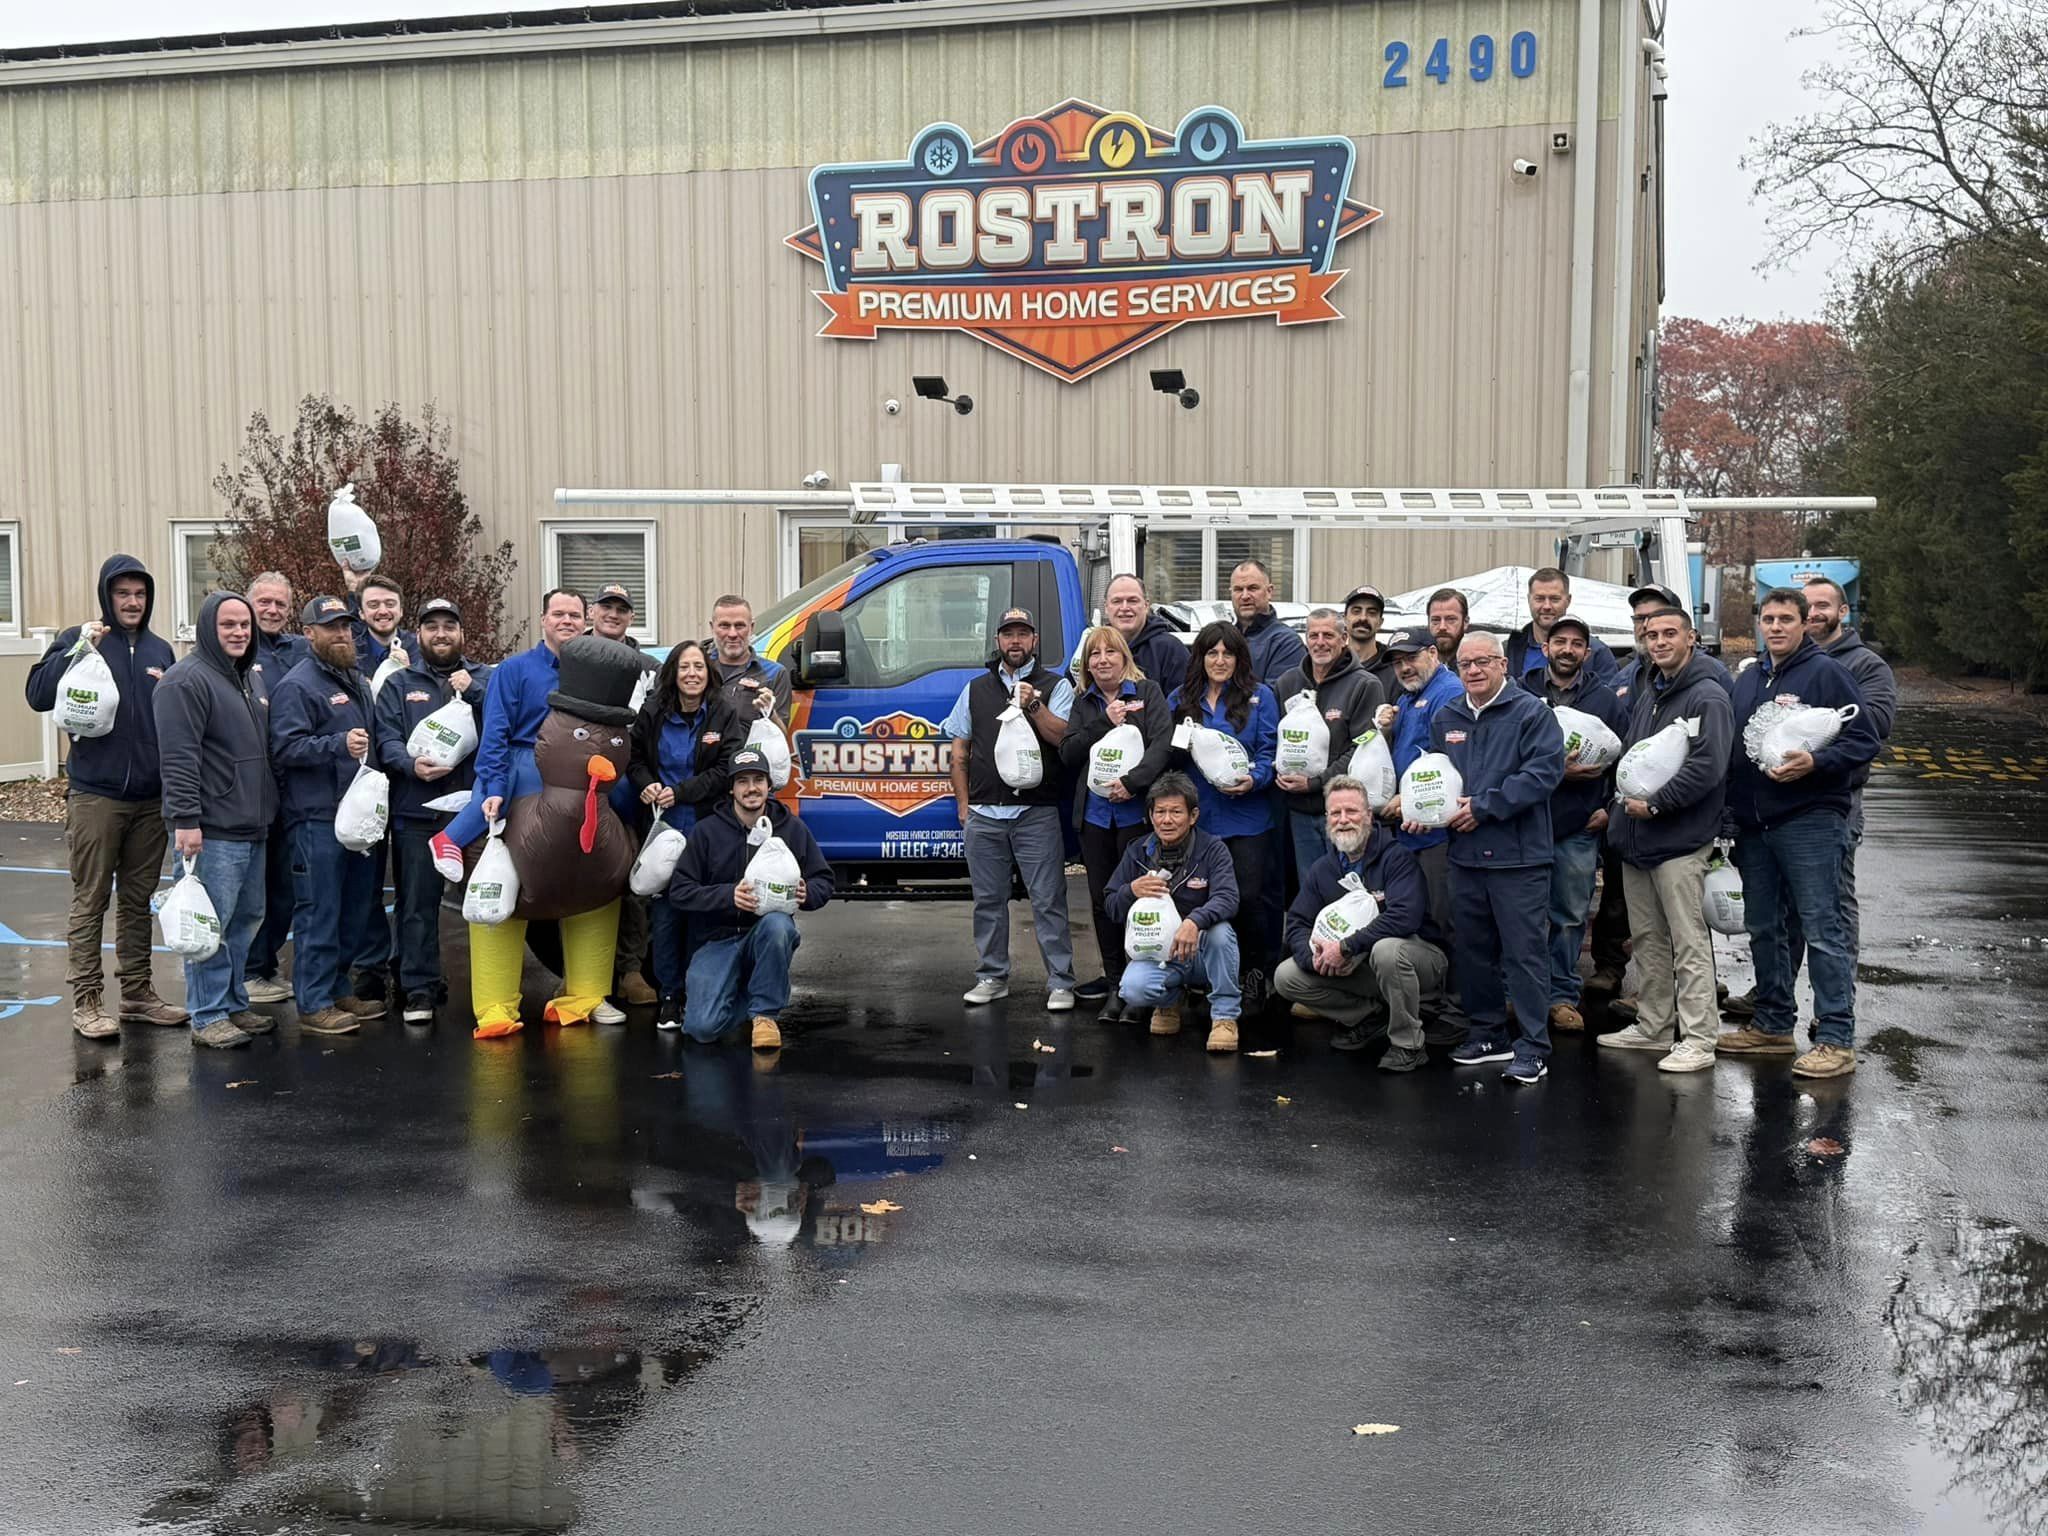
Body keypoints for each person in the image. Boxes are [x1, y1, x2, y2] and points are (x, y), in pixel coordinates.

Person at [24, 554, 187, 1038]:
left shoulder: (161, 651)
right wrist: (75, 649)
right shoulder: (83, 638)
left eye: (139, 594)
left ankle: (137, 994)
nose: (132, 602)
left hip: (149, 800)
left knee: (138, 901)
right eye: (123, 594)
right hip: (96, 795)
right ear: (107, 596)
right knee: (91, 898)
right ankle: (87, 1001)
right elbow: (37, 694)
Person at [1724, 587, 1881, 1078]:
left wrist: (1818, 761)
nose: (1775, 627)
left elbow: (1864, 739)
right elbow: (1732, 752)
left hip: (1810, 819)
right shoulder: (1748, 679)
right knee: (1765, 928)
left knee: (1821, 928)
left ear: (1805, 623)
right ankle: (1772, 1024)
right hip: (1755, 827)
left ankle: (1836, 1037)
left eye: (1786, 619)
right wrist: (1729, 817)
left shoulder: (1827, 674)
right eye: (1768, 618)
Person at [1413, 632, 1564, 1084]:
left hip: (1519, 860)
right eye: (1465, 664)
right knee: (1473, 952)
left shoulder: (1532, 714)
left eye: (1483, 662)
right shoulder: (1447, 716)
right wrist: (1425, 810)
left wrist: (1483, 805)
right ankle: (1487, 1035)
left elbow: (1542, 775)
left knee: (1525, 955)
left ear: (1503, 665)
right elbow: (1436, 777)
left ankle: (1534, 1045)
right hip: (1465, 857)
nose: (1474, 671)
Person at [1598, 605, 1735, 1071]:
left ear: (1691, 638)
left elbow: (1709, 766)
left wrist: (1658, 804)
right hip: (1636, 841)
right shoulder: (1650, 693)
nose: (1658, 641)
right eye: (1651, 634)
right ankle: (1655, 1026)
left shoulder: (1707, 696)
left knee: (1687, 941)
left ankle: (1698, 1037)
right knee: (1649, 939)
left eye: (1669, 633)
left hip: (1678, 839)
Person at [152, 591, 278, 1049]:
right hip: (211, 830)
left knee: (245, 921)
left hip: (252, 824)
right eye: (228, 625)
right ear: (208, 628)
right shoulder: (185, 682)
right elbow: (179, 759)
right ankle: (207, 1015)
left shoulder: (248, 680)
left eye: (244, 625)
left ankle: (232, 1002)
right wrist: (186, 820)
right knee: (210, 926)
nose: (239, 632)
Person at [947, 607, 1079, 1011]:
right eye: (1008, 634)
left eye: (1023, 634)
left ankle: (1060, 983)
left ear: (1034, 641)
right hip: (985, 815)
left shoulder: (1055, 686)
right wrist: (964, 805)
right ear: (998, 641)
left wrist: (1035, 706)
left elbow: (1064, 740)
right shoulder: (976, 689)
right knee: (988, 901)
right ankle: (991, 976)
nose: (1015, 641)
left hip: (1035, 813)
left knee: (1048, 900)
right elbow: (959, 750)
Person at [268, 595, 386, 1035]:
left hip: (355, 817)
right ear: (309, 633)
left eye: (345, 626)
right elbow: (284, 748)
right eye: (331, 627)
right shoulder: (298, 686)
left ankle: (338, 988)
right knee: (319, 909)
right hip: (316, 817)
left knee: (353, 908)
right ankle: (314, 1001)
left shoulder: (354, 679)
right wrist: (335, 745)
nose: (341, 634)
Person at [1275, 777, 1446, 1071]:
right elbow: (1299, 922)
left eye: (1352, 812)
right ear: (1326, 819)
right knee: (1286, 975)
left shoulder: (1396, 858)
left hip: (1421, 964)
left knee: (1387, 951)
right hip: (1362, 967)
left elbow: (1406, 917)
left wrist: (1345, 947)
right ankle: (1370, 1017)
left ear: (1368, 815)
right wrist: (1316, 957)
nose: (1343, 820)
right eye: (1335, 813)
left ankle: (1409, 1044)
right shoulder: (1323, 869)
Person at [667, 748, 833, 1048]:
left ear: (770, 786)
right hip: (716, 940)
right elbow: (679, 891)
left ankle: (764, 1015)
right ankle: (746, 991)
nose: (751, 788)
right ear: (731, 788)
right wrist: (726, 895)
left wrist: (809, 893)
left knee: (779, 925)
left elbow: (824, 879)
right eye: (742, 781)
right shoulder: (707, 832)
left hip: (763, 936)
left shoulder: (792, 828)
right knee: (702, 1028)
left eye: (759, 780)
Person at [372, 597, 489, 1025]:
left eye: (450, 626)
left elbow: (506, 726)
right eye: (432, 626)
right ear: (417, 634)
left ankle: (492, 991)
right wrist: (409, 765)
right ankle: (418, 987)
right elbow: (384, 739)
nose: (442, 634)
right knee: (417, 905)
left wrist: (475, 693)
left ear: (462, 633)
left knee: (486, 903)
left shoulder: (484, 679)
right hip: (416, 814)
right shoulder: (400, 684)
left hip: (471, 817)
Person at [1058, 625, 1173, 1024]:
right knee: (1102, 900)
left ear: (1125, 657)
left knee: (1140, 898)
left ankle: (1141, 985)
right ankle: (1115, 983)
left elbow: (1162, 744)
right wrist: (1103, 722)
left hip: (1135, 815)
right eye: (1095, 654)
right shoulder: (1083, 701)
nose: (1103, 659)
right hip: (1094, 818)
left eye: (1111, 652)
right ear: (1087, 664)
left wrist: (1132, 782)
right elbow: (1069, 752)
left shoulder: (1147, 693)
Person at [628, 639, 745, 1030]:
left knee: (700, 913)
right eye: (684, 667)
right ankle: (669, 997)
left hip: (706, 827)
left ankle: (699, 993)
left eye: (698, 666)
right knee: (664, 917)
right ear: (672, 674)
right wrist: (646, 785)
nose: (692, 674)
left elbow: (727, 768)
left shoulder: (722, 713)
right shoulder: (653, 711)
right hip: (662, 828)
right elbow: (635, 759)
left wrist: (681, 791)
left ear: (708, 673)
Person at [431, 587, 588, 873]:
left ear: (585, 623)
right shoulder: (513, 669)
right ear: (543, 619)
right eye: (558, 614)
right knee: (515, 788)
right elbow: (495, 732)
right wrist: (495, 784)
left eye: (574, 615)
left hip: (574, 761)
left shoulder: (590, 672)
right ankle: (450, 838)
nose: (567, 620)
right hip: (525, 757)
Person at [1167, 621, 1280, 1015]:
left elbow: (1270, 752)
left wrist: (1255, 779)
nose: (1219, 660)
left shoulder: (1260, 697)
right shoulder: (1180, 699)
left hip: (1248, 819)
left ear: (1238, 658)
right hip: (1200, 824)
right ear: (1199, 658)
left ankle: (1252, 976)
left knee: (1248, 900)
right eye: (1211, 653)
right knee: (1195, 899)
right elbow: (1170, 759)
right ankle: (1199, 979)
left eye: (1227, 653)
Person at [1534, 616, 1629, 1034]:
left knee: (1570, 915)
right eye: (1560, 642)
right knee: (1523, 915)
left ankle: (1560, 996)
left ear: (1587, 653)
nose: (1567, 649)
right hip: (1528, 824)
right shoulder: (1523, 692)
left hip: (1579, 827)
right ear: (1546, 648)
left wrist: (1611, 806)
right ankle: (1521, 994)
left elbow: (1630, 761)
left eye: (1576, 643)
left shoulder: (1606, 700)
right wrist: (1555, 772)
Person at [1102, 772, 1243, 1049]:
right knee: (1132, 989)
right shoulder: (1137, 852)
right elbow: (1110, 906)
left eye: (1176, 812)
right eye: (1160, 812)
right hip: (1160, 954)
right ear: (1151, 815)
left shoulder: (1213, 848)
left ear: (1193, 816)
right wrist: (1131, 890)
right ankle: (1169, 1002)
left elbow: (1228, 898)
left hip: (1201, 951)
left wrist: (1194, 921)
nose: (1167, 820)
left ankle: (1225, 1016)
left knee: (1221, 933)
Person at [1799, 576, 1896, 961]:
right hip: (1784, 797)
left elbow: (1874, 725)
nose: (1814, 613)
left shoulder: (1866, 665)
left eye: (1823, 605)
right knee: (1783, 904)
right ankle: (1772, 997)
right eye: (1806, 606)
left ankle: (1837, 1006)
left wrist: (1807, 728)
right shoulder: (1784, 661)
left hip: (1838, 799)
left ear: (1842, 611)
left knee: (1833, 900)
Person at [589, 582, 662, 1008]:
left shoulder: (649, 667)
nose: (613, 614)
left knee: (633, 877)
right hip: (582, 786)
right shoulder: (574, 660)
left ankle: (630, 969)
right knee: (585, 876)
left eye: (622, 609)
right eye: (606, 606)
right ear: (592, 613)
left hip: (632, 786)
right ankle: (584, 973)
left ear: (631, 617)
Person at [1274, 609, 1384, 879]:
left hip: (1346, 812)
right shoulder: (1287, 683)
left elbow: (1362, 749)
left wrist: (1314, 782)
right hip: (1299, 812)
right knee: (1312, 886)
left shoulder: (1365, 685)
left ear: (1344, 638)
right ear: (1305, 639)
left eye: (1328, 635)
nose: (1320, 642)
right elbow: (1274, 740)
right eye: (1314, 635)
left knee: (1352, 888)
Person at [1375, 626, 1466, 943]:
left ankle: (1452, 992)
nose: (1404, 667)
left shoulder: (1448, 692)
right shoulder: (1408, 697)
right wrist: (1385, 730)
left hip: (1437, 831)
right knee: (1419, 915)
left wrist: (1407, 799)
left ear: (1433, 653)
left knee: (1443, 917)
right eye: (1397, 662)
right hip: (1411, 827)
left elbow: (1450, 761)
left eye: (1411, 657)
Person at [244, 571, 308, 1004]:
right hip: (248, 784)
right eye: (264, 602)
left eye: (279, 604)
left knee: (284, 885)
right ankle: (248, 971)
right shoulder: (237, 648)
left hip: (293, 785)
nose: (271, 610)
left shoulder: (301, 650)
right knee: (251, 884)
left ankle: (266, 966)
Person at [1505, 567, 1619, 689]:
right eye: (1540, 599)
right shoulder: (1510, 650)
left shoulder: (1597, 653)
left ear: (1568, 601)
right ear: (1529, 600)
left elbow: (1608, 702)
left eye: (1555, 599)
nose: (1547, 606)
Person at [707, 594, 792, 723]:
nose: (732, 634)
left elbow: (781, 736)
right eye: (724, 625)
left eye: (740, 626)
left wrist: (769, 712)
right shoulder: (698, 670)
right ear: (712, 627)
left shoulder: (775, 674)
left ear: (751, 628)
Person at [1101, 572, 1189, 689]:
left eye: (1133, 601)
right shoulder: (1094, 648)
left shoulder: (1170, 650)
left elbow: (1185, 702)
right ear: (1106, 607)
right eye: (1117, 601)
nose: (1124, 608)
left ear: (1146, 606)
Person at [1229, 560, 1308, 684]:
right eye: (1238, 589)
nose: (1245, 596)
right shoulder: (1224, 638)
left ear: (1269, 591)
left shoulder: (1286, 642)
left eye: (1252, 588)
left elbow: (1275, 697)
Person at [345, 571, 417, 680]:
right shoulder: (349, 655)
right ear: (361, 613)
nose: (383, 611)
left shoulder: (420, 649)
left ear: (401, 610)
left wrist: (411, 675)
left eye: (390, 604)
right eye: (373, 605)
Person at [1342, 584, 1403, 698]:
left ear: (1380, 622)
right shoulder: (1331, 665)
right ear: (1344, 618)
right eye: (1356, 611)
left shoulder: (1395, 668)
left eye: (1372, 613)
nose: (1363, 618)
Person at [1425, 588, 1468, 664]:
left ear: (1465, 622)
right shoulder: (1415, 668)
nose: (1442, 627)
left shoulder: (1476, 668)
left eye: (1451, 619)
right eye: (1436, 620)